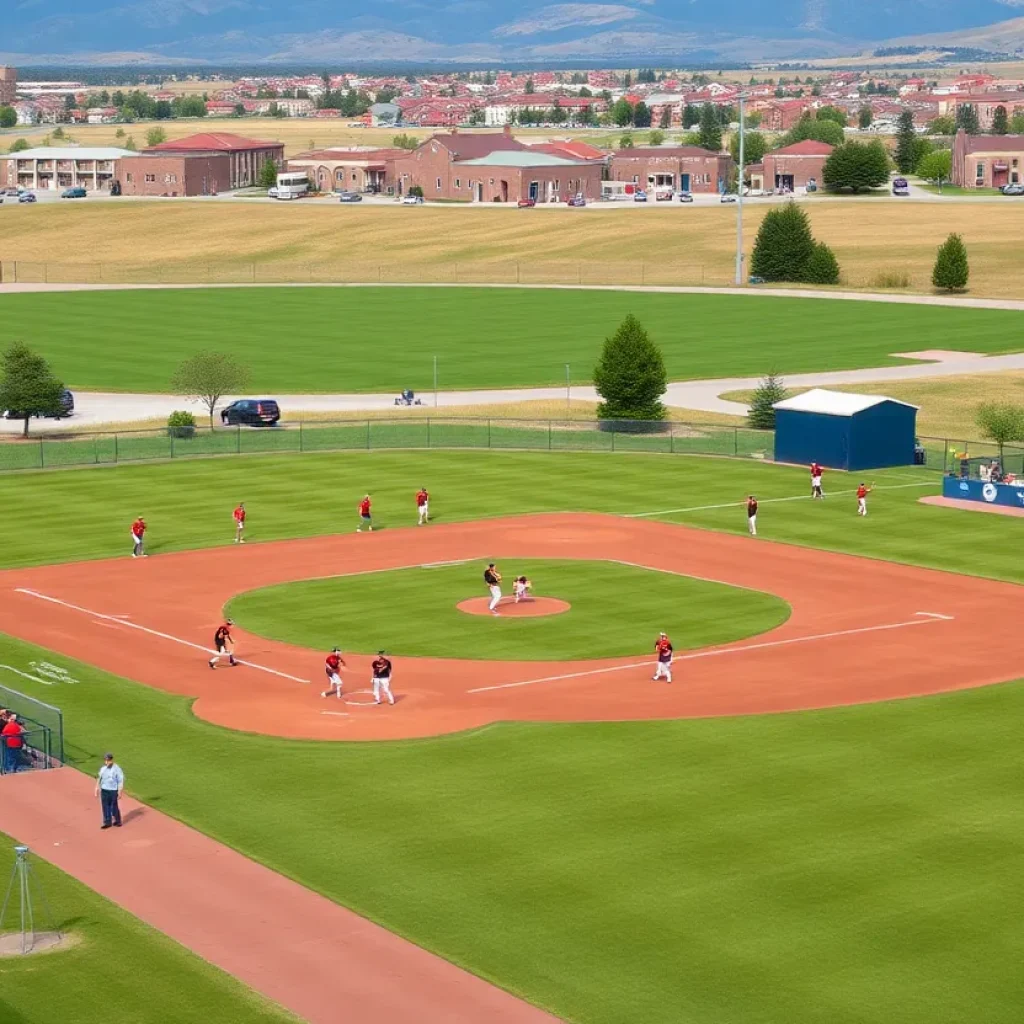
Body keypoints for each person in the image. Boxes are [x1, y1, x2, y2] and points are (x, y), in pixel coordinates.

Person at [94, 752, 124, 830]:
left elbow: (120, 781)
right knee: (105, 806)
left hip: (113, 790)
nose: (107, 761)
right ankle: (107, 822)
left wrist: (120, 791)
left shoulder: (117, 769)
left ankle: (118, 820)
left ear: (111, 760)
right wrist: (96, 787)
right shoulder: (103, 769)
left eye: (109, 760)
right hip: (104, 790)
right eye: (106, 760)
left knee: (114, 806)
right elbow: (99, 778)